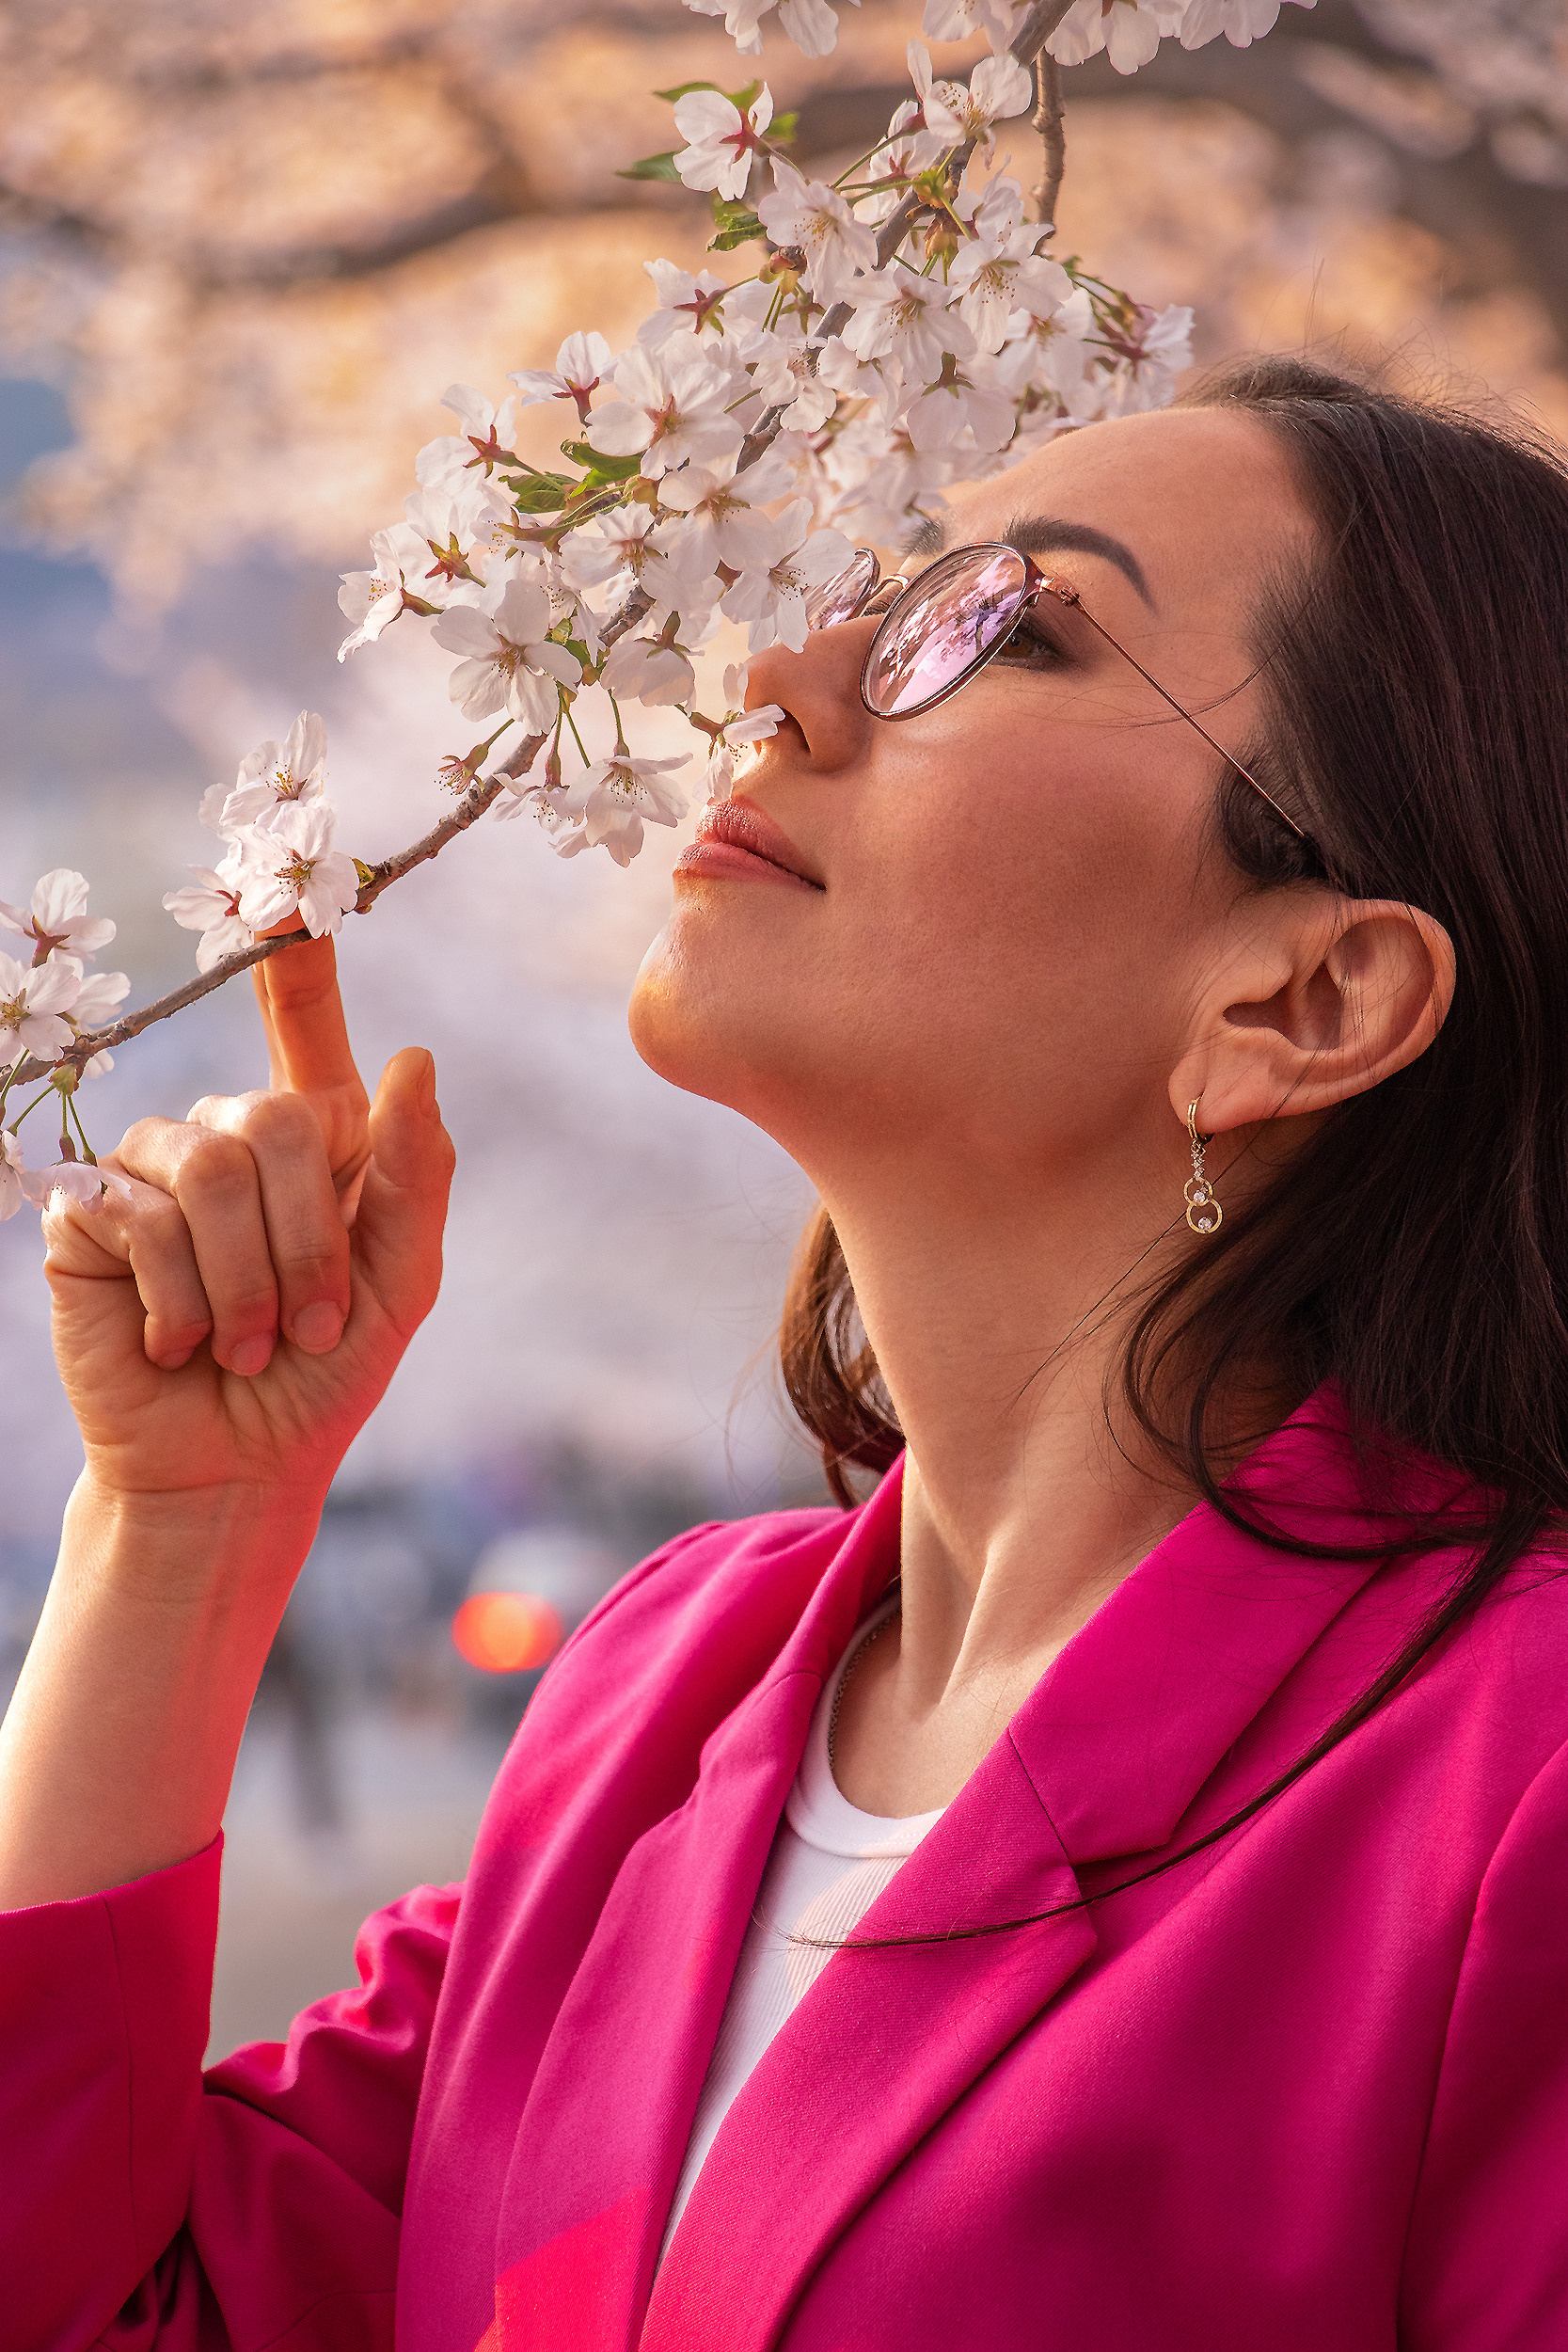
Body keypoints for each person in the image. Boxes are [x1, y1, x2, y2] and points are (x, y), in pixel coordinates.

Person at [4, 353, 1568, 2351]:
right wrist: (182, 1528)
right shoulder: (665, 1693)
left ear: (1310, 992)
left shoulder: (1512, 1790)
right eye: (884, 600)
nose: (782, 676)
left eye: (1007, 631)